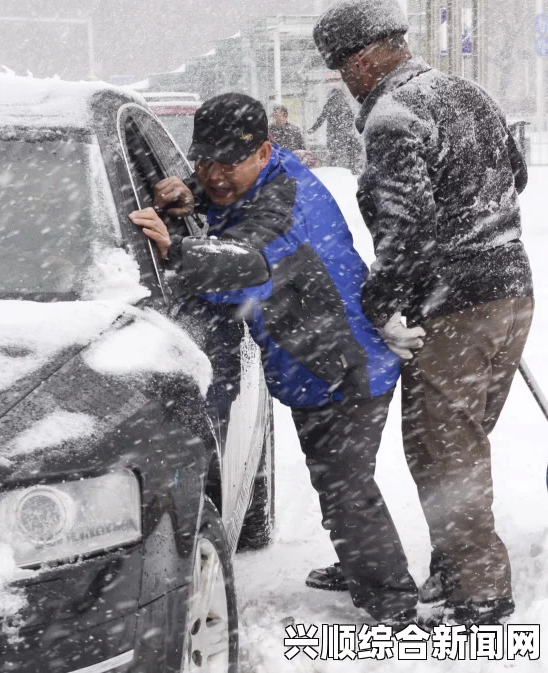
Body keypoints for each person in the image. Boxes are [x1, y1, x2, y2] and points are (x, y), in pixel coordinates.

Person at [129, 92, 419, 625]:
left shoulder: (286, 206)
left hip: (342, 365)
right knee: (341, 484)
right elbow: (231, 202)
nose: (215, 174)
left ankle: (393, 602)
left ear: (263, 152)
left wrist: (176, 249)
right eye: (204, 161)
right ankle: (364, 563)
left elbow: (246, 259)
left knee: (347, 490)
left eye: (228, 162)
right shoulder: (269, 173)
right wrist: (190, 193)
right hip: (321, 360)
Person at [313, 0, 534, 625]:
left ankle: (479, 596)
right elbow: (513, 177)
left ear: (364, 56)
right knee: (461, 440)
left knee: (445, 452)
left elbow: (403, 233)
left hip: (456, 308)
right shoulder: (465, 92)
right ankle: (454, 565)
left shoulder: (392, 116)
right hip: (511, 293)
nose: (345, 79)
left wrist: (382, 306)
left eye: (342, 67)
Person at [308, 88, 362, 172]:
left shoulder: (329, 104)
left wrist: (313, 129)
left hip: (333, 134)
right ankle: (352, 168)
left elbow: (321, 118)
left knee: (334, 153)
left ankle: (334, 168)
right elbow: (351, 119)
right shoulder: (345, 104)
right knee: (350, 152)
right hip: (346, 133)